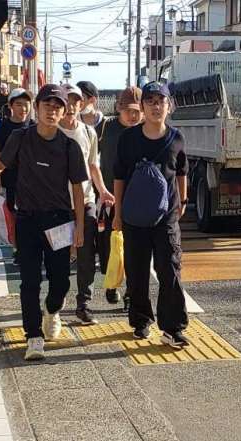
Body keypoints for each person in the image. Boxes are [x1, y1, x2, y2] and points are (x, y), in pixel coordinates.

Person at [0, 84, 88, 360]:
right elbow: (0, 165)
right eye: (47, 105)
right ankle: (33, 337)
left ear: (63, 113)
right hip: (27, 219)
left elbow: (78, 189)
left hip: (59, 221)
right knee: (30, 280)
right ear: (37, 108)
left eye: (57, 107)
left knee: (60, 282)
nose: (52, 111)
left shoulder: (69, 146)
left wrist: (80, 227)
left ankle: (52, 310)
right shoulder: (21, 137)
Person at [113, 81, 190, 348]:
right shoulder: (128, 139)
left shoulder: (176, 138)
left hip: (166, 215)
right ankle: (141, 320)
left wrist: (183, 200)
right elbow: (119, 177)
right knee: (137, 271)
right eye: (150, 101)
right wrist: (117, 213)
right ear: (143, 106)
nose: (156, 107)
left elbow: (181, 171)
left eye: (161, 101)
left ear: (169, 106)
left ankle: (173, 328)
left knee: (170, 268)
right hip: (134, 216)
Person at [59, 84, 115, 325]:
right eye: (66, 101)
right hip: (58, 203)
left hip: (86, 199)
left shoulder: (89, 133)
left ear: (81, 104)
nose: (71, 106)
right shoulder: (50, 132)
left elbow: (93, 166)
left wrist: (103, 190)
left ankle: (83, 303)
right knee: (59, 254)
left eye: (75, 101)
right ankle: (57, 296)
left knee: (87, 253)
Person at [95, 86, 143, 307]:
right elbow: (90, 155)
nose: (132, 115)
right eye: (128, 110)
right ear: (119, 108)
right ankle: (112, 284)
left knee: (134, 248)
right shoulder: (106, 127)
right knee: (108, 244)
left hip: (137, 199)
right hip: (109, 197)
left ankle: (131, 293)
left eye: (136, 111)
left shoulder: (145, 131)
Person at [0, 88, 34, 265]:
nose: (23, 108)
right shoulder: (4, 127)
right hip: (11, 179)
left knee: (31, 215)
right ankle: (18, 249)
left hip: (32, 181)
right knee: (14, 215)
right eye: (19, 104)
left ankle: (30, 248)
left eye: (26, 104)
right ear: (10, 106)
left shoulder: (34, 126)